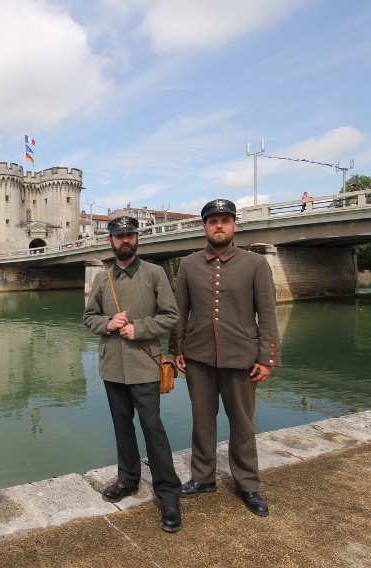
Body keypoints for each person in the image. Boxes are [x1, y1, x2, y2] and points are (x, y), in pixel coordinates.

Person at [169, 199, 280, 517]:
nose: (219, 225)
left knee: (243, 424)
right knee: (202, 422)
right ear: (204, 227)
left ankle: (247, 484)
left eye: (225, 220)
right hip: (198, 356)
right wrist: (177, 349)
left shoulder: (256, 265)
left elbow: (267, 314)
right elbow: (181, 311)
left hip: (242, 357)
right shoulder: (189, 265)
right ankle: (203, 478)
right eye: (213, 220)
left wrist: (267, 357)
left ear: (234, 225)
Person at [83, 216, 183, 533]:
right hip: (113, 366)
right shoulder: (102, 279)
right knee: (121, 426)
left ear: (137, 238)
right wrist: (109, 324)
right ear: (110, 241)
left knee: (152, 426)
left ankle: (168, 494)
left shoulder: (154, 274)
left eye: (130, 235)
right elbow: (89, 318)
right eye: (119, 235)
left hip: (144, 365)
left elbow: (171, 315)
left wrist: (139, 329)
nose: (125, 240)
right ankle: (128, 479)